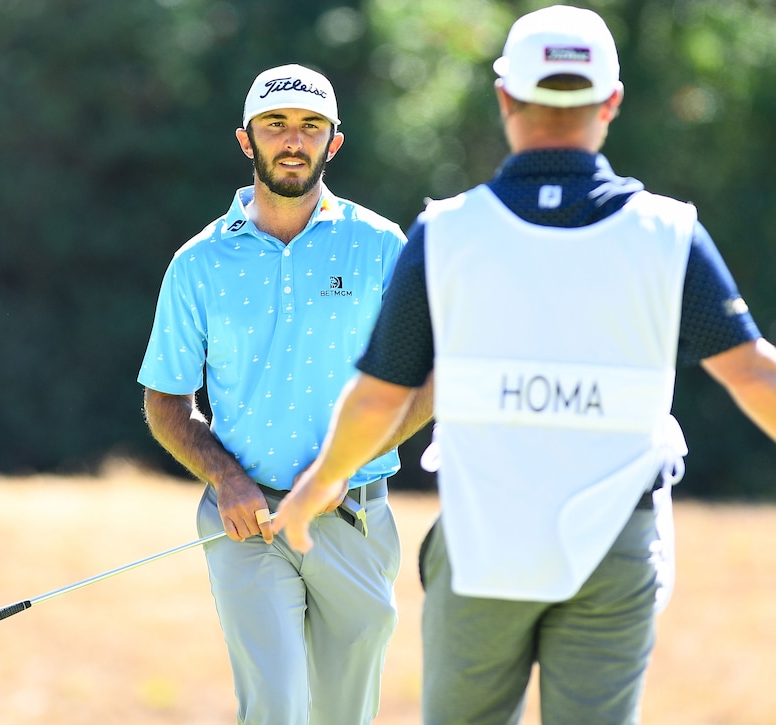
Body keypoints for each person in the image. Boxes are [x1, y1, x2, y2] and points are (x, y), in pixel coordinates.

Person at [274, 6, 776, 724]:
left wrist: (319, 483)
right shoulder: (669, 235)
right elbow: (756, 374)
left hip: (483, 536)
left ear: (505, 96)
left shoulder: (446, 234)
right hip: (617, 541)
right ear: (612, 101)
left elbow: (382, 396)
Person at [137, 63, 433, 725]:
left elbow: (426, 382)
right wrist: (227, 478)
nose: (293, 140)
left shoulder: (383, 246)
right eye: (276, 124)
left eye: (310, 126)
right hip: (248, 520)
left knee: (343, 712)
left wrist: (338, 468)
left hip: (352, 515)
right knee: (276, 707)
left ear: (335, 141)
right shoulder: (197, 263)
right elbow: (166, 399)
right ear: (247, 140)